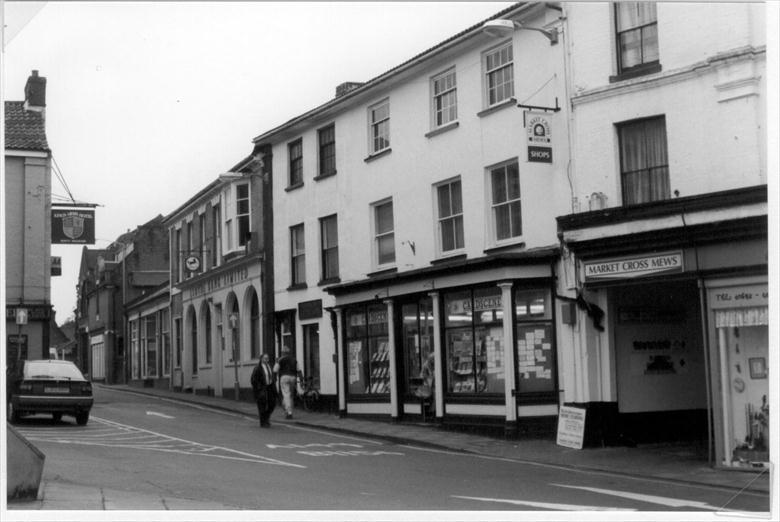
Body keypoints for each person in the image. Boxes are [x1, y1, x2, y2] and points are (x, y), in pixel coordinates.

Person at [273, 346, 302, 419]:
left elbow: (275, 370)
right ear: (289, 353)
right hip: (293, 377)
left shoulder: (280, 360)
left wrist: (274, 379)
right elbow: (299, 370)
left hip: (284, 377)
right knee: (290, 395)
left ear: (282, 353)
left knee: (286, 394)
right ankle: (287, 409)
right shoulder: (294, 360)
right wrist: (301, 379)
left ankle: (289, 412)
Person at [250, 353, 277, 427]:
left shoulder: (270, 366)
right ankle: (263, 422)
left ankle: (266, 417)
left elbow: (272, 376)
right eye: (265, 358)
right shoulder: (257, 368)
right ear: (261, 359)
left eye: (267, 358)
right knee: (262, 405)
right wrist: (258, 388)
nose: (266, 360)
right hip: (261, 388)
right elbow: (253, 379)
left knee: (272, 404)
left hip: (270, 387)